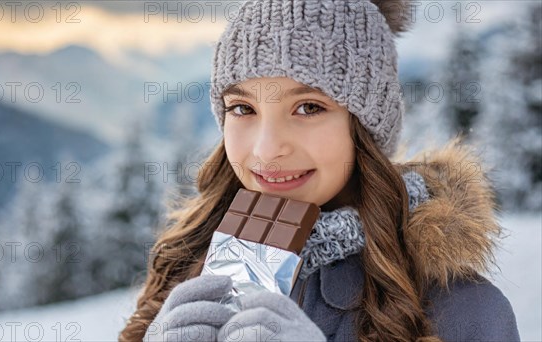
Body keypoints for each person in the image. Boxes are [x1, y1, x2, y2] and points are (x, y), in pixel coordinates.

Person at [120, 0, 520, 341]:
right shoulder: (184, 269)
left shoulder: (464, 310)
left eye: (308, 107)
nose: (267, 149)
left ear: (364, 126)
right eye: (243, 108)